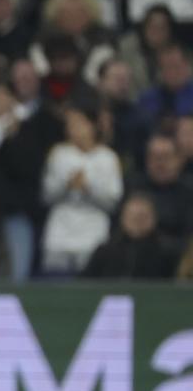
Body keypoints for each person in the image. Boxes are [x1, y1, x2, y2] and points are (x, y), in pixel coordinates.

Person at [40, 103, 124, 275]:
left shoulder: (108, 157)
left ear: (92, 125)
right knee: (55, 281)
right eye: (70, 124)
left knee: (90, 281)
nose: (73, 129)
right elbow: (46, 195)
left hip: (94, 232)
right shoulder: (59, 154)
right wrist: (67, 185)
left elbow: (113, 201)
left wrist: (88, 187)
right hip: (59, 232)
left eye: (78, 123)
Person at [82, 193, 179, 279]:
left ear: (153, 218)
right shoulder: (106, 251)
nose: (136, 221)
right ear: (122, 218)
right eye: (132, 216)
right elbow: (85, 283)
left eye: (142, 216)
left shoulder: (168, 252)